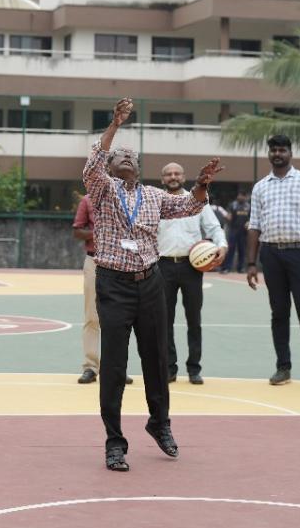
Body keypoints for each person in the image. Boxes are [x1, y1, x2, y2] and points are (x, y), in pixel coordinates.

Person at [83, 98, 222, 471]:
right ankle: (115, 442)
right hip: (113, 285)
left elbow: (191, 206)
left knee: (157, 359)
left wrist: (201, 184)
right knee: (115, 364)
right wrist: (115, 125)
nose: (126, 157)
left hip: (150, 283)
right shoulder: (102, 189)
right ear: (111, 165)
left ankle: (159, 423)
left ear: (140, 168)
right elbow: (93, 162)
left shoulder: (155, 196)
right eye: (120, 155)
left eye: (132, 156)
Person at [246, 133, 300, 390]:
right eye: (273, 150)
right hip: (271, 255)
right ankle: (283, 367)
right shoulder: (260, 187)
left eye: (282, 150)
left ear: (290, 153)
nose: (277, 154)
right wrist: (251, 263)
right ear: (269, 154)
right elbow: (254, 225)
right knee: (278, 313)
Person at [158, 161, 227, 384]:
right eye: (168, 174)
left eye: (177, 173)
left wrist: (222, 246)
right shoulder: (156, 201)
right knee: (164, 321)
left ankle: (194, 368)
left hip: (192, 266)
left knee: (194, 320)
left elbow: (214, 228)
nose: (173, 176)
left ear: (184, 176)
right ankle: (169, 368)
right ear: (162, 179)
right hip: (162, 266)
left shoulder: (198, 200)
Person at [72, 192, 132, 386]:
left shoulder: (128, 199)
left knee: (119, 319)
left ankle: (116, 369)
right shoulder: (87, 200)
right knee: (92, 316)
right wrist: (99, 231)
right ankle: (90, 367)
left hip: (120, 262)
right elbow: (77, 232)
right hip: (95, 261)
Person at [221, 190, 249, 272]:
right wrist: (228, 217)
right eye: (239, 195)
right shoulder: (233, 205)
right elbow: (228, 215)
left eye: (242, 196)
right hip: (233, 230)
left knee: (242, 250)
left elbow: (251, 218)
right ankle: (227, 267)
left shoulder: (248, 206)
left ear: (245, 197)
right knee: (231, 249)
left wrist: (249, 222)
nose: (240, 197)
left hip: (243, 232)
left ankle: (241, 268)